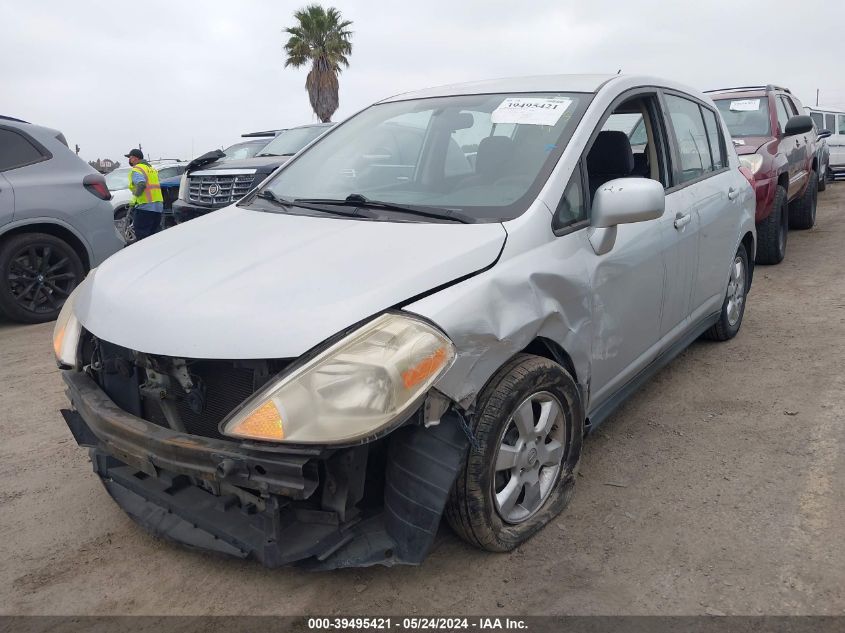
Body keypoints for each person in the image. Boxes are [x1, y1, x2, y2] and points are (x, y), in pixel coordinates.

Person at [124, 149, 163, 241]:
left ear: (135, 158)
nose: (129, 160)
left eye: (130, 158)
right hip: (158, 207)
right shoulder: (152, 169)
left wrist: (134, 198)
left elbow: (141, 184)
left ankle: (144, 254)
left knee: (142, 236)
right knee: (154, 235)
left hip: (145, 207)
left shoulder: (137, 169)